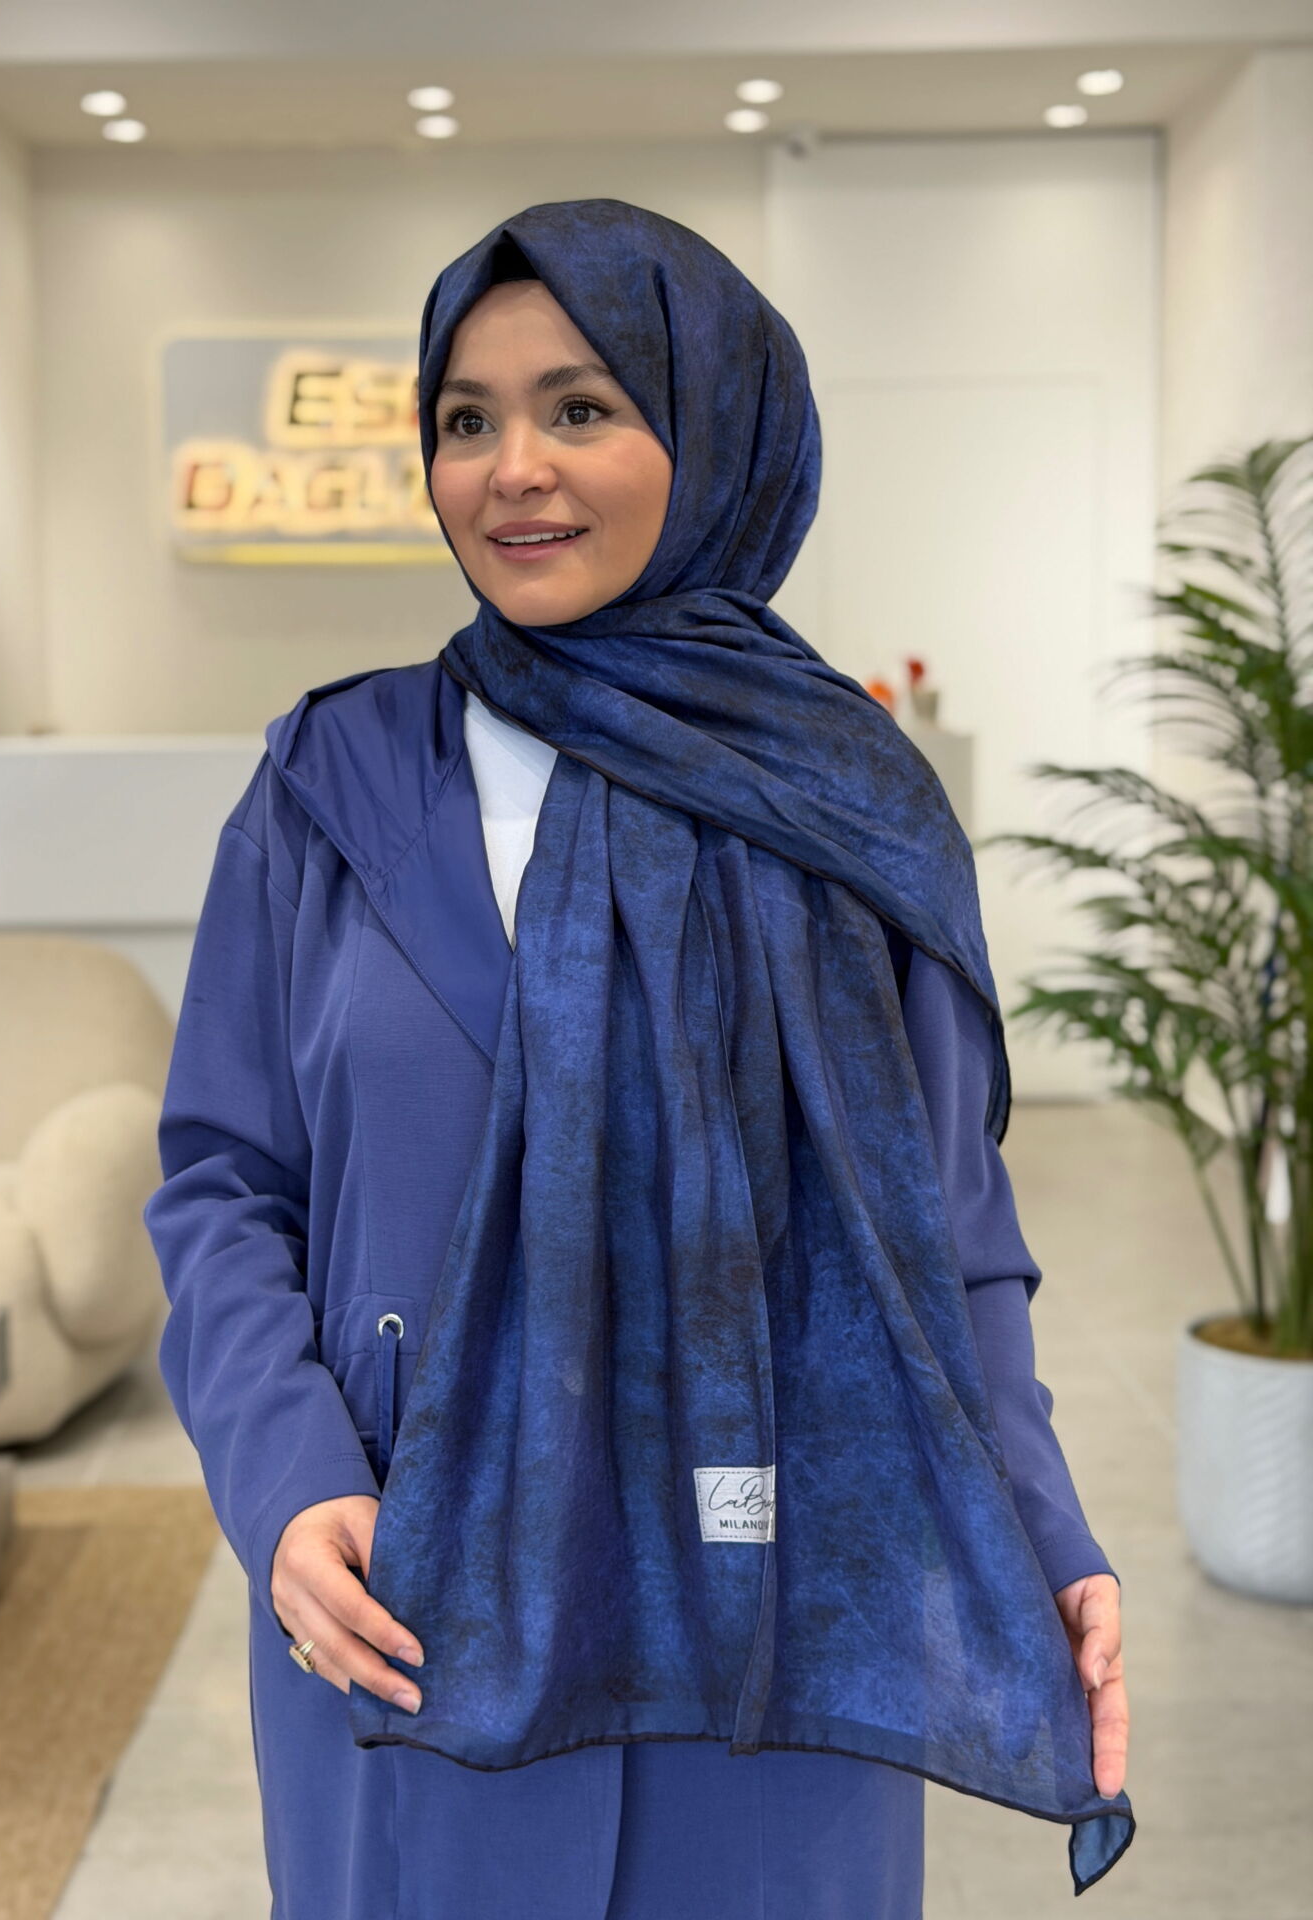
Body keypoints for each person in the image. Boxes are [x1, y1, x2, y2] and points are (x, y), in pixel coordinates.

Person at [145, 199, 1133, 1919]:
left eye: (583, 407)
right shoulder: (332, 780)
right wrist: (286, 1479)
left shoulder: (853, 811)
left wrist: (1042, 1526)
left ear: (721, 429)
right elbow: (226, 1183)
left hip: (768, 1595)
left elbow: (948, 1239)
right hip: (413, 1585)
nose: (513, 468)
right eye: (468, 418)